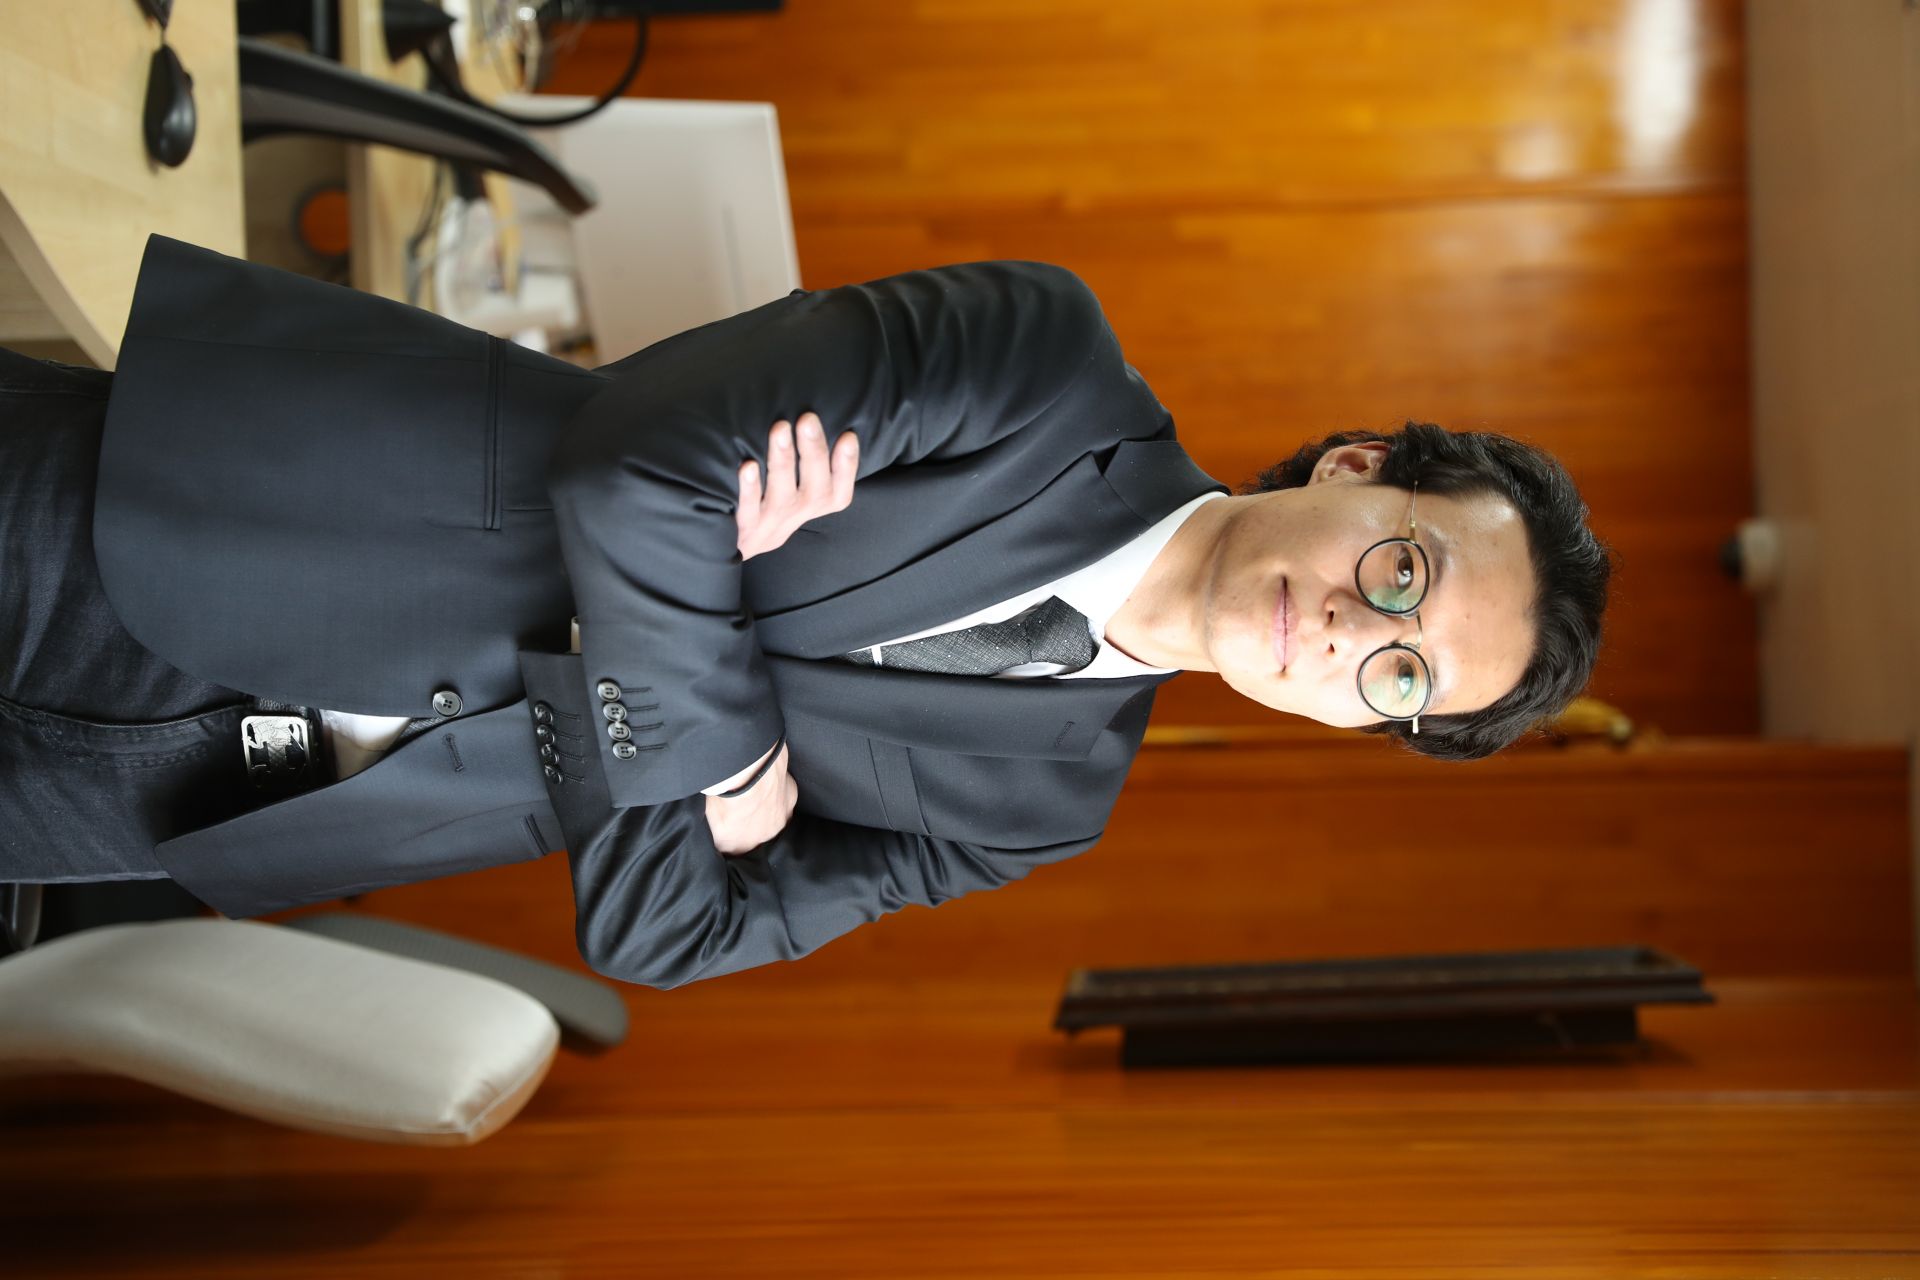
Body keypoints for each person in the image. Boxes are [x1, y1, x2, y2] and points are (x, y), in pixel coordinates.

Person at [0, 235, 1609, 988]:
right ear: (1358, 469)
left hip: (260, 797)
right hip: (220, 518)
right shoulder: (1046, 367)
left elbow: (663, 935)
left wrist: (694, 627)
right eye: (1403, 573)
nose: (1353, 633)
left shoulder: (1044, 806)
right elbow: (636, 469)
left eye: (1401, 678)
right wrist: (720, 764)